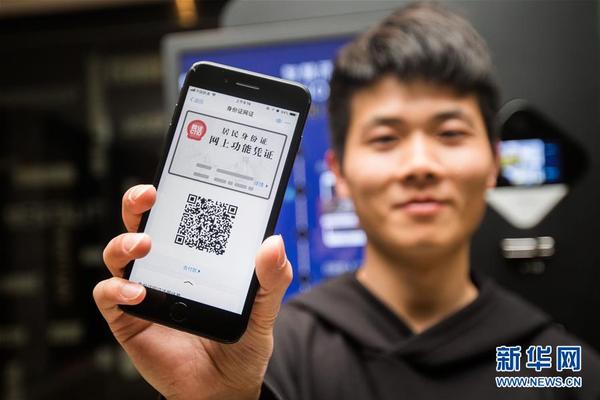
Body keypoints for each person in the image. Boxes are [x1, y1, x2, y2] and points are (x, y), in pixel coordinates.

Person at [93, 3, 600, 399]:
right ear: (338, 173)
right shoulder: (268, 355)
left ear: (492, 163)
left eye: (449, 133)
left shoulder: (553, 364)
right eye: (385, 138)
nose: (419, 164)